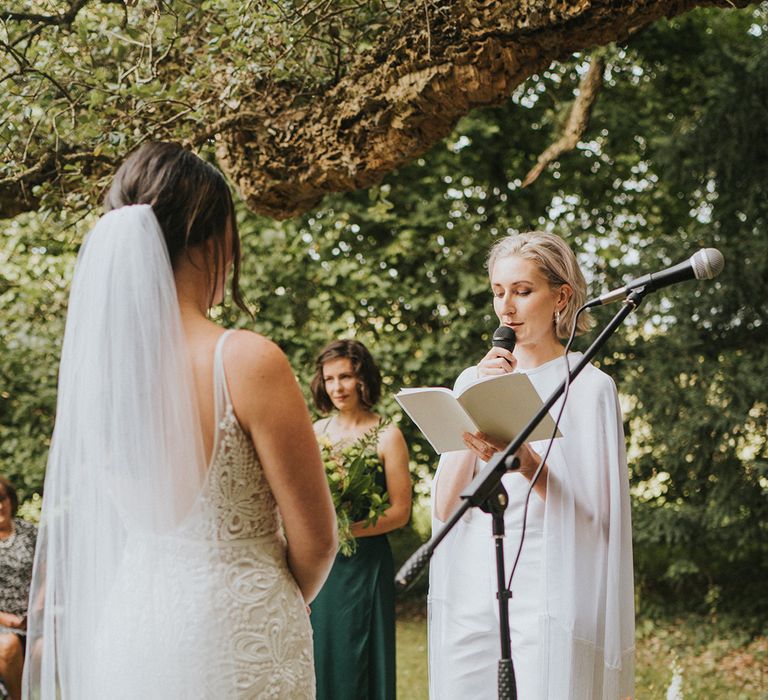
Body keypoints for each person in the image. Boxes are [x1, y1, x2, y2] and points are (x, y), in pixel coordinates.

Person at [22, 142, 338, 699]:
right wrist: (260, 596)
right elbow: (317, 544)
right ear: (212, 237)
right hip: (242, 629)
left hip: (135, 625)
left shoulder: (102, 380)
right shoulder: (245, 359)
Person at [428, 231, 635, 699]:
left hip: (550, 583)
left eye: (522, 291)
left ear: (560, 297)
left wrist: (528, 464)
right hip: (473, 581)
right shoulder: (473, 378)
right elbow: (444, 505)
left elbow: (598, 518)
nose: (507, 308)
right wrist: (473, 398)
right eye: (499, 292)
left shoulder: (589, 386)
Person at [309, 340, 411, 700]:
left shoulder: (387, 435)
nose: (337, 387)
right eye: (330, 378)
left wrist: (345, 530)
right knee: (321, 653)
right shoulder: (316, 432)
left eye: (346, 377)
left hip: (366, 564)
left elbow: (400, 512)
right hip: (322, 565)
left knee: (363, 656)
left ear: (363, 379)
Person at [0, 477, 37, 700]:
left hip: (32, 618)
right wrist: (7, 620)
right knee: (8, 645)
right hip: (3, 624)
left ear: (10, 499)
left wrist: (37, 609)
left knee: (45, 647)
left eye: (1, 498)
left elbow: (45, 573)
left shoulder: (30, 532)